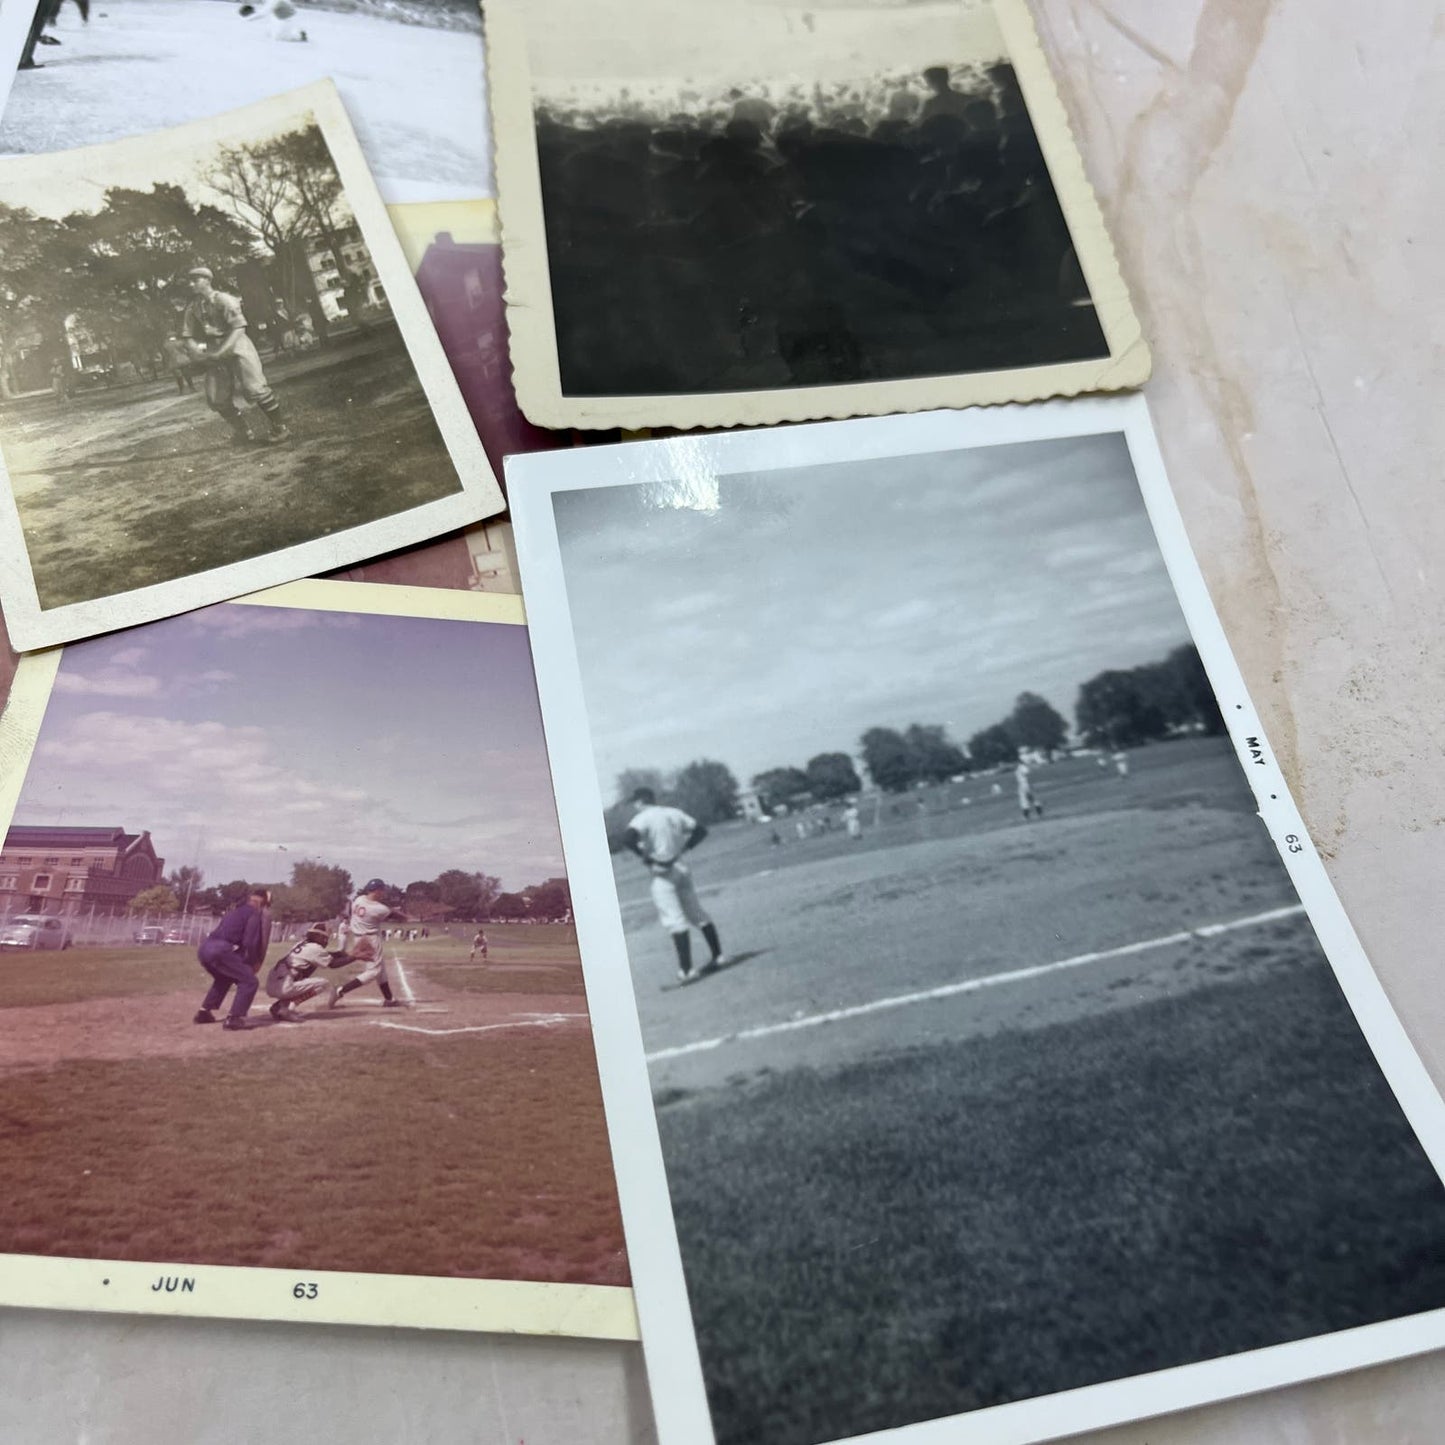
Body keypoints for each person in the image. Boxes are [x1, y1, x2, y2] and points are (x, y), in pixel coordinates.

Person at [623, 786, 727, 983]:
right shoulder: (672, 812)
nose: (635, 806)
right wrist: (685, 848)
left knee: (674, 920)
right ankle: (718, 956)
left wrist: (646, 858)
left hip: (663, 872)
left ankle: (687, 970)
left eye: (635, 803)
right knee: (697, 914)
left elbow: (628, 838)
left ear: (640, 801)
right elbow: (700, 830)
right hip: (681, 866)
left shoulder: (644, 817)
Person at [180, 266, 291, 445]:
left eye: (195, 280)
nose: (190, 284)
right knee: (216, 398)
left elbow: (239, 327)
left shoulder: (224, 299)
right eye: (190, 280)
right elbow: (187, 335)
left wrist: (222, 351)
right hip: (214, 348)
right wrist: (198, 354)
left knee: (255, 388)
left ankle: (280, 427)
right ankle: (243, 432)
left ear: (208, 280)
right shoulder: (193, 307)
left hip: (237, 344)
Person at [195, 888, 272, 1030]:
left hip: (204, 948)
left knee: (224, 977)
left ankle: (204, 1012)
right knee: (250, 981)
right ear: (262, 900)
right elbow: (249, 941)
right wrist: (253, 961)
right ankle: (234, 1018)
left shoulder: (235, 911)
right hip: (220, 950)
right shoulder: (254, 913)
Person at [331, 879, 405, 1007]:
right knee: (374, 971)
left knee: (380, 970)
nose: (383, 893)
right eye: (381, 890)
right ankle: (341, 990)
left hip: (358, 938)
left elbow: (386, 911)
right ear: (377, 890)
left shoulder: (359, 899)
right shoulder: (378, 908)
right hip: (370, 939)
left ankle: (389, 999)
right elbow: (396, 916)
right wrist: (406, 916)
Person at [265, 922, 346, 1021]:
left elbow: (326, 955)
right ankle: (285, 1009)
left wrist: (342, 954)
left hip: (274, 981)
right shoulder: (315, 948)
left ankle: (278, 1007)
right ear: (319, 936)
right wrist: (355, 956)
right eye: (325, 937)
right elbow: (333, 964)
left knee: (307, 972)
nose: (326, 941)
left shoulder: (302, 944)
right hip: (284, 984)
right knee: (323, 984)